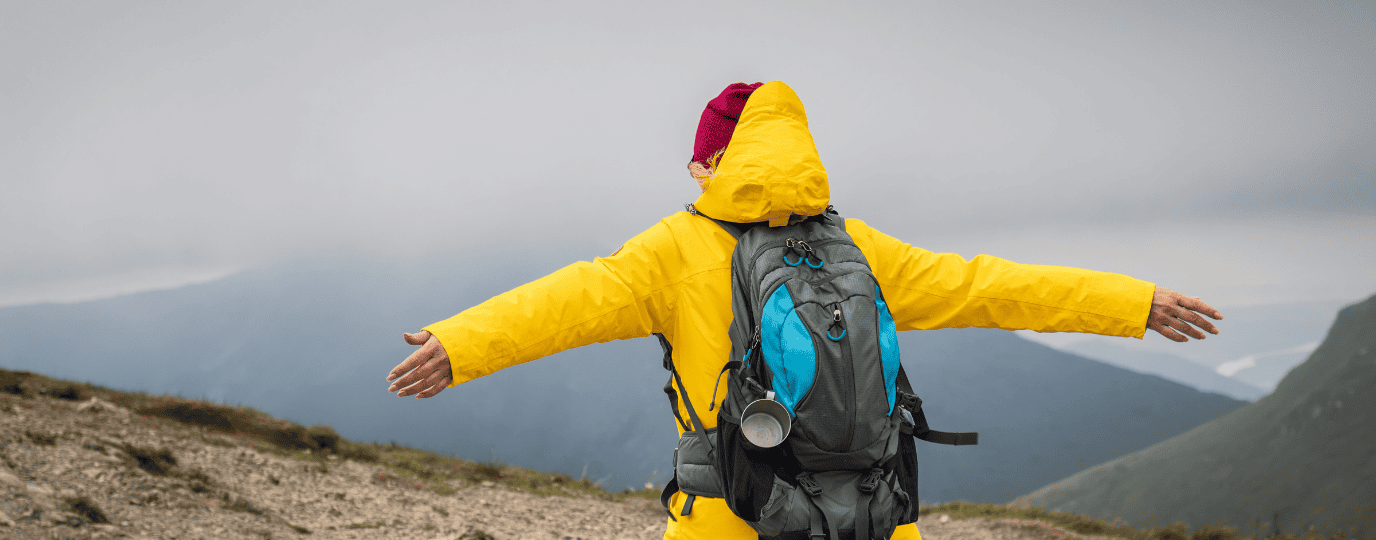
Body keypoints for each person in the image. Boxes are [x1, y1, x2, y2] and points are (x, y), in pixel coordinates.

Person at [385, 81, 1222, 540]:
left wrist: (460, 344)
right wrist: (1134, 303)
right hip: (870, 512)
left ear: (713, 163)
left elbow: (558, 304)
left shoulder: (671, 251)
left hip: (733, 511)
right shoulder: (858, 248)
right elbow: (991, 284)